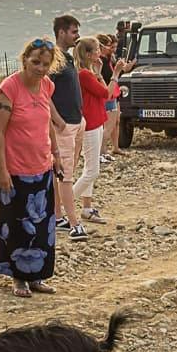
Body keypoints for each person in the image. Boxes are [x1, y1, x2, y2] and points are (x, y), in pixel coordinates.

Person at [0, 37, 64, 298]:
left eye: (46, 64)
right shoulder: (8, 89)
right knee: (17, 225)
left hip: (42, 167)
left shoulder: (47, 86)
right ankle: (18, 279)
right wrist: (2, 170)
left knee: (43, 226)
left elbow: (47, 123)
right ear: (24, 60)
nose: (40, 68)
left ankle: (37, 277)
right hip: (16, 170)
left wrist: (55, 153)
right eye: (35, 62)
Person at [48, 14, 87, 236]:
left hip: (75, 122)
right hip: (64, 125)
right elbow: (45, 93)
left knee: (60, 175)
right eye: (73, 32)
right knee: (65, 176)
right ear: (61, 32)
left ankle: (58, 217)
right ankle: (75, 224)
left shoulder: (68, 58)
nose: (77, 36)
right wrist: (58, 120)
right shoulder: (55, 59)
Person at [74, 37, 109, 222]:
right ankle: (65, 203)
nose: (99, 52)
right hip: (91, 123)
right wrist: (116, 74)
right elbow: (106, 93)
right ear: (88, 54)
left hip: (95, 122)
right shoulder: (84, 75)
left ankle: (87, 208)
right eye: (96, 50)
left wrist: (99, 72)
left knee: (89, 168)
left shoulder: (87, 73)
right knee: (92, 171)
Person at [96, 32, 126, 163]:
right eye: (109, 45)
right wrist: (117, 72)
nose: (111, 48)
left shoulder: (103, 60)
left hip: (109, 95)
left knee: (107, 127)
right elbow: (108, 80)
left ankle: (103, 152)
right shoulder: (101, 62)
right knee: (108, 127)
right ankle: (101, 152)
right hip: (109, 96)